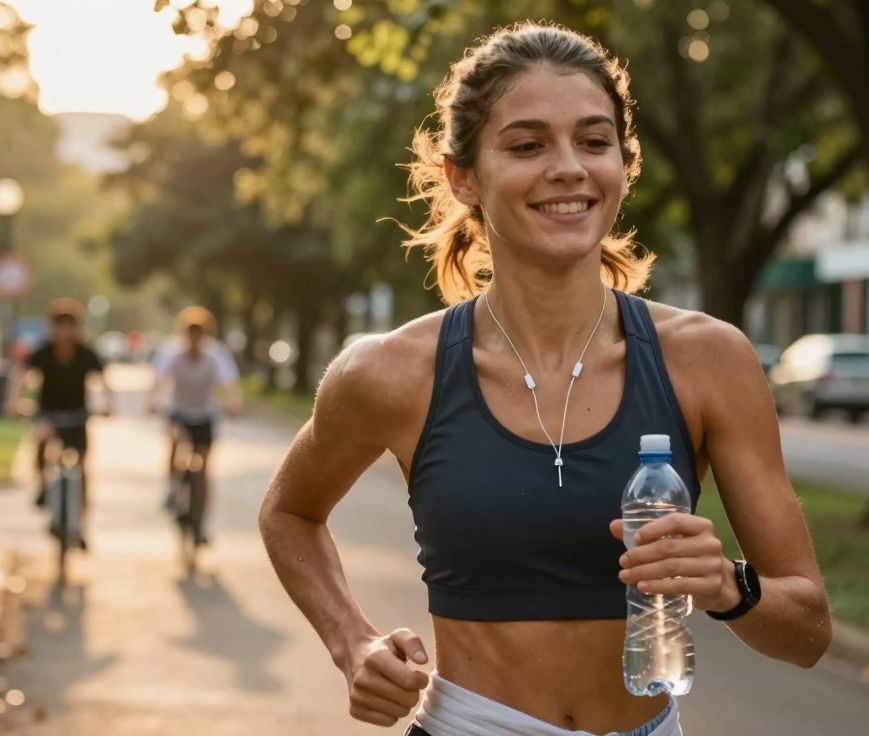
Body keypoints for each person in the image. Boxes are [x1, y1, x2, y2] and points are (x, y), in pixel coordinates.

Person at [258, 21, 830, 736]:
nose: (569, 168)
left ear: (624, 164)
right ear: (462, 176)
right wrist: (353, 643)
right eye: (527, 145)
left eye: (594, 142)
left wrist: (729, 587)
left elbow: (807, 630)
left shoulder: (708, 360)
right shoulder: (390, 371)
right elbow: (289, 512)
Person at [4, 298, 115, 543]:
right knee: (41, 438)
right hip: (49, 414)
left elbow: (104, 378)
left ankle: (81, 524)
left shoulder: (85, 353)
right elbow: (21, 374)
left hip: (77, 415)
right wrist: (14, 401)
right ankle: (43, 484)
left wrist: (109, 404)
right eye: (60, 326)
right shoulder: (44, 352)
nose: (65, 332)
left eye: (70, 326)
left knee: (83, 468)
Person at [148, 306, 243, 544]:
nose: (194, 337)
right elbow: (158, 380)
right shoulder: (171, 352)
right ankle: (172, 487)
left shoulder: (216, 354)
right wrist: (153, 400)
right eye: (190, 332)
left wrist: (233, 403)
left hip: (204, 414)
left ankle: (202, 522)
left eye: (199, 332)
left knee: (205, 468)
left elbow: (230, 384)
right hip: (179, 412)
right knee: (175, 441)